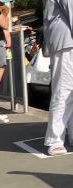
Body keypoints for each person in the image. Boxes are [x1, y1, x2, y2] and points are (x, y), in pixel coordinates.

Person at [43, 0, 73, 155]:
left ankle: (61, 138)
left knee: (66, 91)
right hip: (67, 41)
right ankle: (55, 140)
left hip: (62, 40)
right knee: (64, 90)